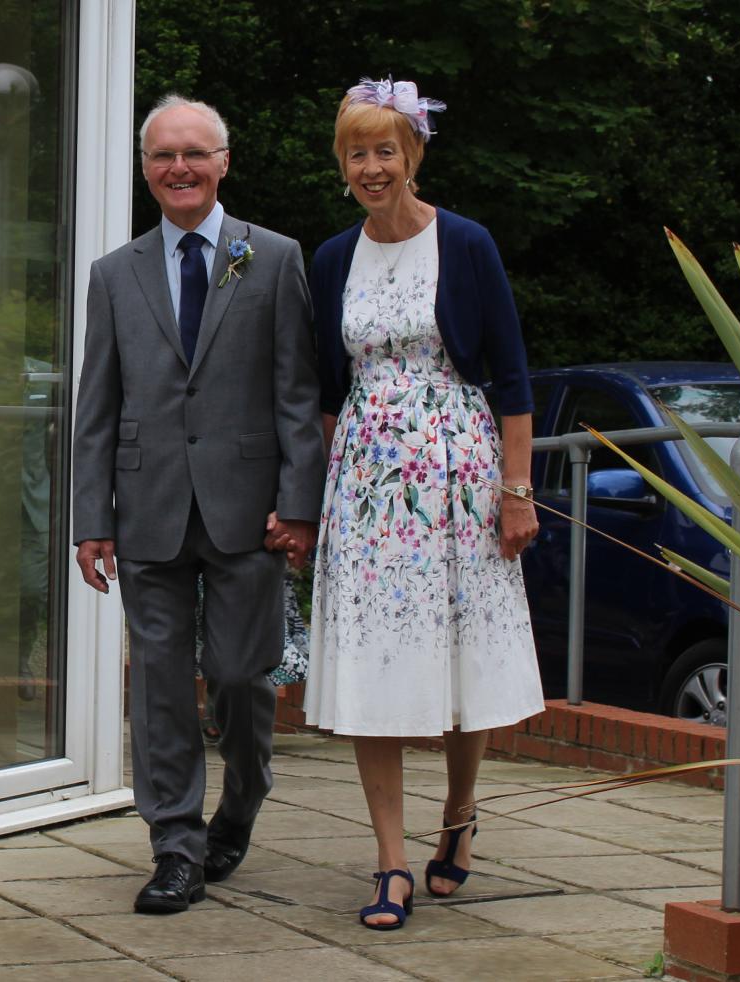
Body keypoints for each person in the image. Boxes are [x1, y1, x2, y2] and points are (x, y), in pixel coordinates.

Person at [73, 94, 324, 915]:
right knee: (157, 683)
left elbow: (297, 394)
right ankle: (174, 845)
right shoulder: (114, 274)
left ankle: (241, 803)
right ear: (146, 170)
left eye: (194, 153)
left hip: (250, 510)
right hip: (146, 511)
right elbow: (96, 406)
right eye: (162, 156)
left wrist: (299, 504)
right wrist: (92, 519)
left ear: (223, 162)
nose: (178, 168)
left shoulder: (275, 258)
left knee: (241, 677)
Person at [304, 78, 545, 930]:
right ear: (344, 166)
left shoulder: (467, 243)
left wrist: (516, 492)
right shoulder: (333, 258)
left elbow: (513, 378)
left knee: (460, 655)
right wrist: (315, 503)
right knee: (375, 659)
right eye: (357, 153)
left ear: (412, 154)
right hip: (368, 485)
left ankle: (459, 815)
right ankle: (392, 864)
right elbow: (327, 393)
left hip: (461, 472)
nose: (373, 167)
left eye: (386, 150)